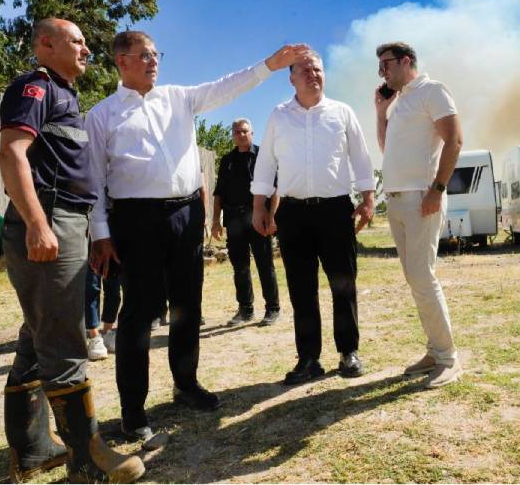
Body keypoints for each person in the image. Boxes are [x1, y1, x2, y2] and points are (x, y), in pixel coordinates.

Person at [86, 31, 309, 441]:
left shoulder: (180, 98)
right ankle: (133, 408)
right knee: (138, 313)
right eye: (144, 55)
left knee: (188, 304)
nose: (154, 61)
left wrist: (269, 65)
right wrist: (101, 233)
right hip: (135, 218)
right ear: (122, 61)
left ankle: (185, 384)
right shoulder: (101, 115)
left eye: (156, 54)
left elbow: (226, 87)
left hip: (186, 212)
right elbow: (94, 182)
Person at [0, 18, 144, 483]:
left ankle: (35, 448)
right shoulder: (34, 89)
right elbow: (11, 154)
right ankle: (88, 456)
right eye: (76, 41)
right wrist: (39, 224)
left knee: (37, 333)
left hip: (69, 222)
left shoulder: (64, 94)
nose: (86, 50)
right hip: (49, 221)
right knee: (63, 338)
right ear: (46, 44)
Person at [251, 52, 375, 385]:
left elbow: (361, 157)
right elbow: (265, 164)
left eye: (318, 69)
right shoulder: (279, 115)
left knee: (343, 284)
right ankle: (308, 359)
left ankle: (348, 352)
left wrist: (368, 198)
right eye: (305, 70)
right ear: (291, 78)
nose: (313, 74)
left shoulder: (342, 113)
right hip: (292, 213)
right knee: (301, 289)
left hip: (335, 210)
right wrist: (259, 205)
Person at [374, 41, 464, 388]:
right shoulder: (399, 103)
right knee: (415, 279)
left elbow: (454, 140)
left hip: (420, 198)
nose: (382, 71)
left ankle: (448, 359)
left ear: (406, 61)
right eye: (380, 67)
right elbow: (387, 149)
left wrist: (437, 189)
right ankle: (435, 350)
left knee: (423, 277)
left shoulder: (432, 90)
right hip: (396, 200)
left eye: (387, 64)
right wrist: (381, 113)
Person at [211, 119, 281, 327]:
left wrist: (272, 216)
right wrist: (216, 221)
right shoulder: (227, 160)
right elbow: (218, 194)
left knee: (264, 264)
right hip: (233, 219)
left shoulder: (263, 157)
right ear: (232, 135)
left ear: (252, 133)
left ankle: (272, 309)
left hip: (258, 217)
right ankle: (245, 310)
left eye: (244, 131)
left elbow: (276, 188)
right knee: (239, 267)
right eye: (237, 132)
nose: (241, 135)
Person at [85, 263, 121, 359]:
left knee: (114, 288)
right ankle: (94, 337)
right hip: (89, 250)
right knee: (91, 287)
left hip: (113, 249)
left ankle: (107, 332)